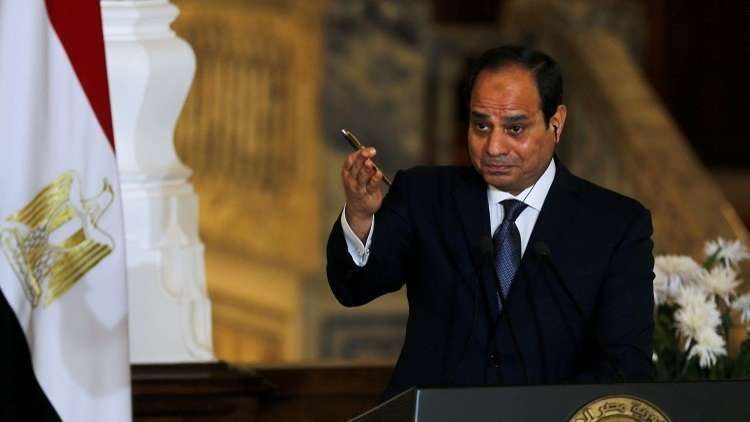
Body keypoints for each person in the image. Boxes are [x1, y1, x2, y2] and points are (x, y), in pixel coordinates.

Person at [326, 45, 654, 400]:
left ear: (556, 123)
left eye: (515, 128)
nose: (494, 147)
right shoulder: (424, 195)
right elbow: (354, 287)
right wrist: (360, 215)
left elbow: (626, 365)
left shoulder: (616, 225)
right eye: (481, 125)